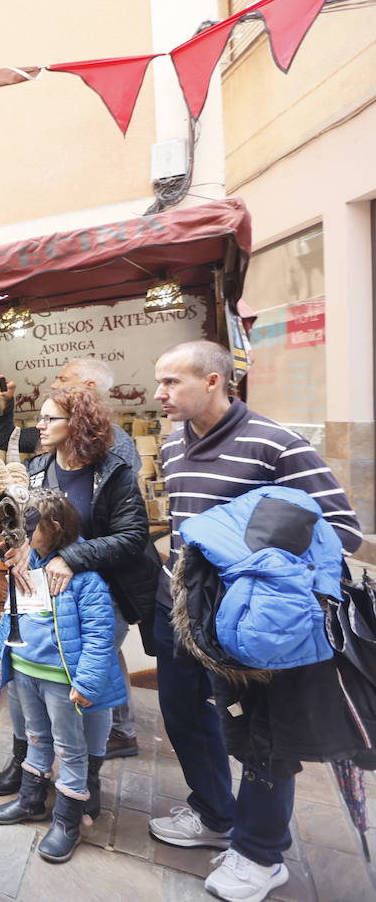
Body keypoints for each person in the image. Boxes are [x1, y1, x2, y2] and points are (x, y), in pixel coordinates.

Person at [147, 340, 363, 902]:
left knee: (261, 738)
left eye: (171, 382)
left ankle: (262, 854)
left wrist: (257, 584)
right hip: (180, 613)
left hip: (246, 625)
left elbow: (341, 529)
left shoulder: (275, 444)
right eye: (159, 382)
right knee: (185, 716)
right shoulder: (171, 445)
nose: (159, 394)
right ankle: (215, 814)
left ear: (213, 380)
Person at [0, 386, 157, 798]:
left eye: (49, 419)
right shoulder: (38, 466)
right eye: (40, 417)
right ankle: (26, 762)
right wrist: (11, 544)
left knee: (84, 684)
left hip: (98, 593)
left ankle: (85, 779)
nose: (40, 426)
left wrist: (73, 557)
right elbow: (20, 522)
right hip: (39, 590)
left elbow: (133, 536)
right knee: (24, 675)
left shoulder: (113, 472)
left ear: (77, 424)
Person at [0, 488, 126, 863]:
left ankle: (67, 821)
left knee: (70, 748)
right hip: (26, 670)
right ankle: (31, 800)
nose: (21, 535)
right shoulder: (26, 562)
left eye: (29, 527)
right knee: (36, 737)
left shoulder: (85, 577)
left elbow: (100, 635)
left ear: (55, 526)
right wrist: (2, 652)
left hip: (60, 679)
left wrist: (87, 682)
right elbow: (11, 609)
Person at [0, 358, 141, 471]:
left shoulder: (117, 441)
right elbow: (5, 439)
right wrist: (5, 401)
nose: (54, 385)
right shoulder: (53, 430)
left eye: (63, 379)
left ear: (89, 386)